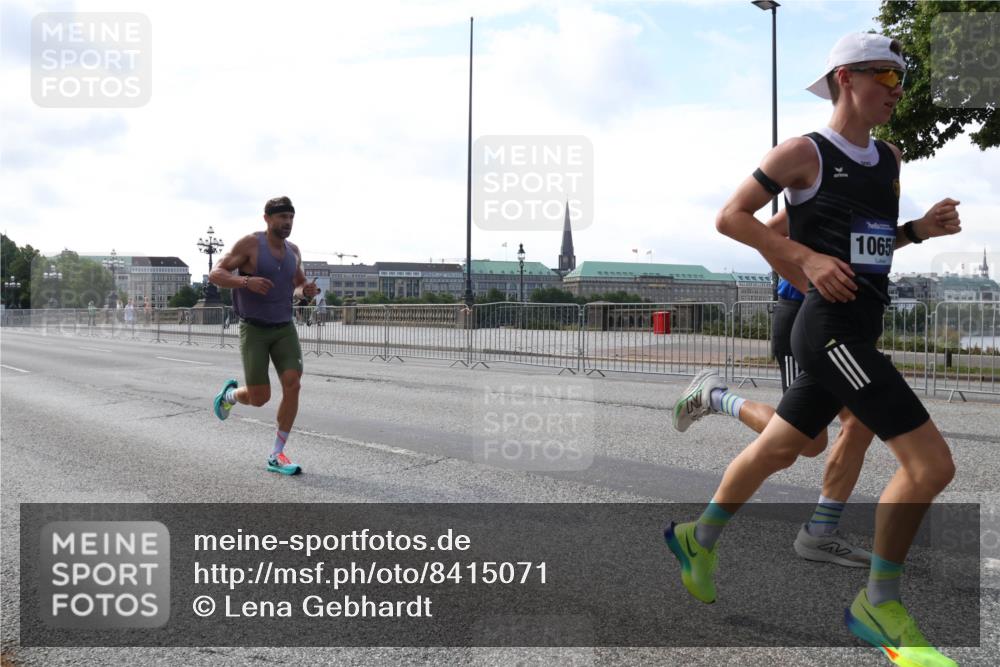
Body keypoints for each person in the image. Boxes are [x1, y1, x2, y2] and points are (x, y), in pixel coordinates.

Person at [663, 33, 962, 667]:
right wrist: (800, 257)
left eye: (901, 78)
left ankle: (698, 535)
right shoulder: (805, 152)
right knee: (931, 466)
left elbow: (869, 244)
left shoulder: (889, 158)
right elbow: (731, 218)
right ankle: (878, 605)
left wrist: (916, 230)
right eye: (887, 74)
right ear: (846, 78)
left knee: (782, 445)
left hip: (860, 325)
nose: (896, 88)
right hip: (831, 332)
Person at [208, 196, 320, 475]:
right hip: (254, 328)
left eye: (291, 218)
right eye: (282, 218)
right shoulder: (249, 245)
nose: (287, 223)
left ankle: (276, 454)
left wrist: (305, 290)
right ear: (267, 219)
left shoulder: (293, 251)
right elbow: (216, 273)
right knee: (259, 398)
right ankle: (230, 396)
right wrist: (245, 281)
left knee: (293, 384)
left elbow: (297, 283)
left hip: (284, 327)